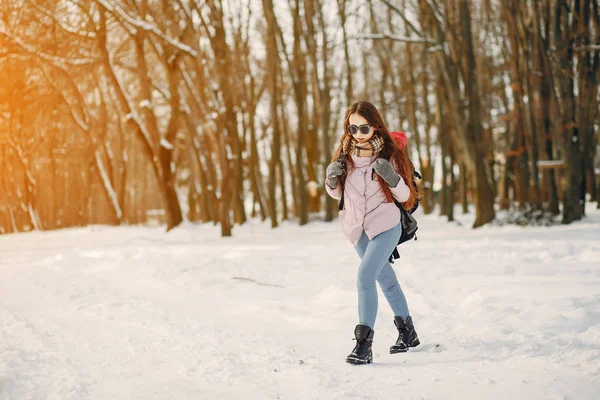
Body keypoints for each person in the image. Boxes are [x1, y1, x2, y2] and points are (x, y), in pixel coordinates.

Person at [324, 101, 420, 365]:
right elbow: (338, 193)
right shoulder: (344, 153)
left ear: (375, 126)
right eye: (351, 127)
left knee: (365, 276)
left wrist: (390, 176)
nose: (356, 133)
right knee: (385, 280)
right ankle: (408, 334)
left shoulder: (389, 154)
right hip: (357, 228)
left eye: (362, 127)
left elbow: (405, 196)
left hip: (385, 225)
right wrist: (331, 180)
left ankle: (363, 345)